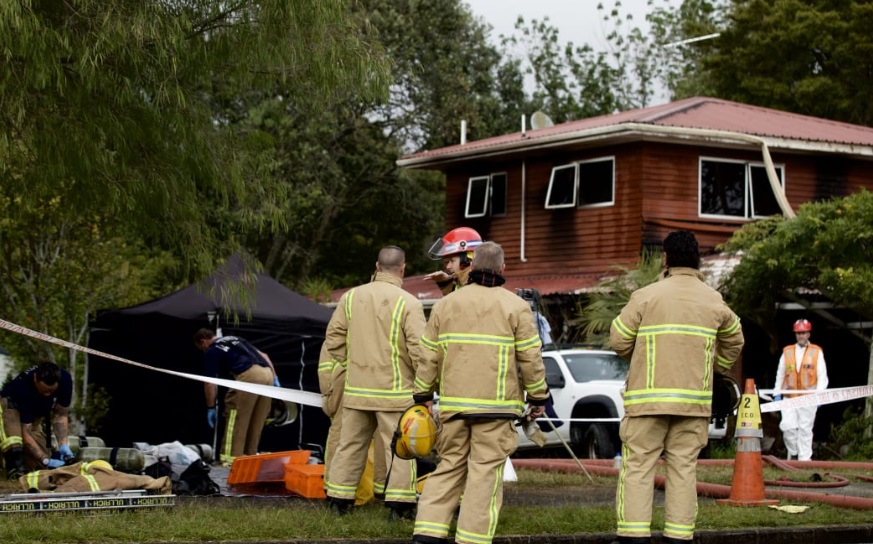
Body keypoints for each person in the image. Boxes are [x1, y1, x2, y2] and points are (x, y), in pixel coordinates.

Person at [609, 230, 744, 544]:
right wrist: (713, 365)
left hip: (647, 403)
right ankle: (679, 537)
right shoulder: (713, 300)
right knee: (684, 470)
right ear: (697, 261)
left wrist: (638, 355)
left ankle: (634, 536)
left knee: (639, 467)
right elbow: (736, 339)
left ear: (666, 259)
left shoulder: (646, 296)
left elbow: (618, 340)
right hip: (693, 404)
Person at [412, 241, 549, 544]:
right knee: (485, 475)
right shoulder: (516, 307)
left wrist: (421, 395)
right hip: (496, 411)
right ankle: (472, 539)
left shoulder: (446, 305)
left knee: (448, 469)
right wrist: (538, 397)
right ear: (503, 269)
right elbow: (530, 357)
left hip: (454, 409)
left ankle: (427, 534)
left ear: (471, 267)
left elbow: (428, 356)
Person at [323, 246, 426, 520]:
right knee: (401, 450)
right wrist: (422, 383)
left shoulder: (350, 297)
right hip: (395, 393)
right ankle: (399, 507)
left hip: (356, 390)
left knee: (350, 445)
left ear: (377, 266)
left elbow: (332, 339)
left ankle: (337, 501)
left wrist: (352, 364)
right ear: (403, 268)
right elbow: (419, 351)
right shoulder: (409, 303)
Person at [193, 329, 279, 464]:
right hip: (267, 373)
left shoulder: (213, 349)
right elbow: (264, 355)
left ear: (203, 341)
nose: (203, 351)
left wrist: (210, 406)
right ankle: (249, 458)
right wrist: (274, 377)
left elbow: (209, 382)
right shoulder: (236, 339)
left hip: (249, 376)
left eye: (201, 348)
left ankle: (229, 461)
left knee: (235, 418)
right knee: (256, 420)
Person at [0, 361, 74, 479]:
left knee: (39, 466)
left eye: (51, 391)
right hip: (10, 409)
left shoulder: (65, 380)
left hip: (34, 417)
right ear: (35, 378)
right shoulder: (22, 387)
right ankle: (13, 467)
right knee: (15, 444)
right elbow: (26, 431)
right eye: (44, 391)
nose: (47, 395)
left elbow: (61, 414)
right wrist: (44, 459)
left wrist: (63, 444)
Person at [772, 319, 828, 461]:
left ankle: (804, 460)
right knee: (787, 427)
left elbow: (822, 376)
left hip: (808, 398)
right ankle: (794, 452)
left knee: (805, 430)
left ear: (808, 334)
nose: (801, 336)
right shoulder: (787, 352)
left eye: (803, 333)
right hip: (789, 397)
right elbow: (780, 374)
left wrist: (819, 396)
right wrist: (777, 392)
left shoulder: (816, 352)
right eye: (798, 333)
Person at [424, 227, 483, 295]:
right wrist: (445, 283)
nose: (448, 267)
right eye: (448, 262)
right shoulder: (461, 282)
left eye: (452, 261)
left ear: (467, 260)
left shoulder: (481, 286)